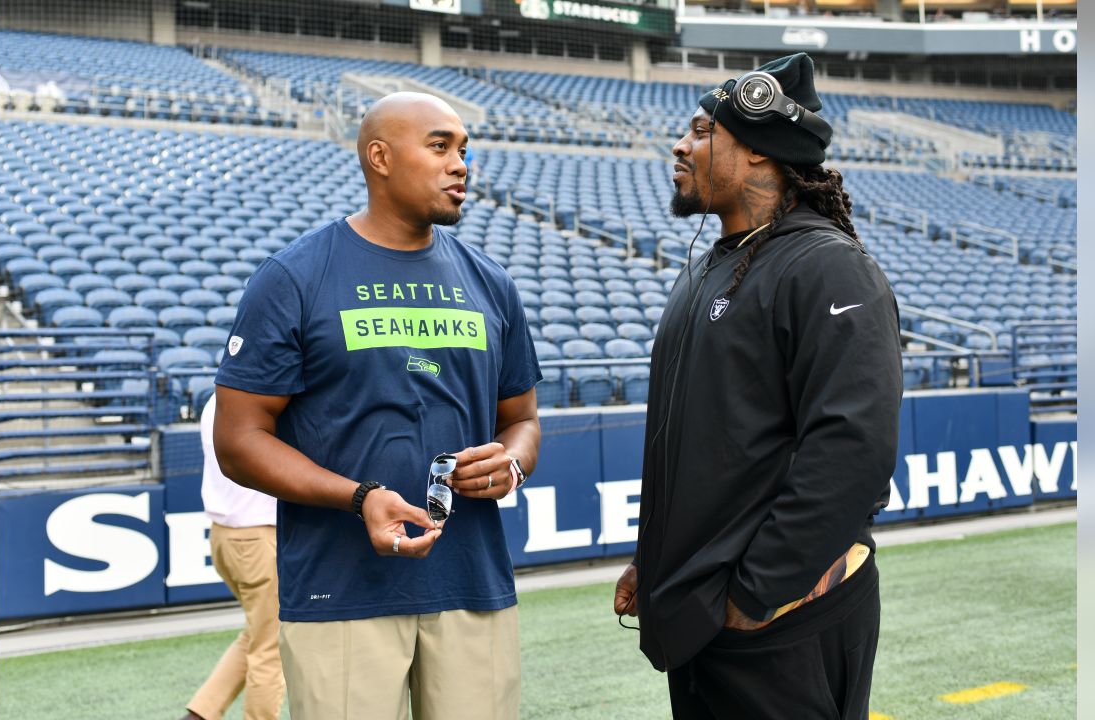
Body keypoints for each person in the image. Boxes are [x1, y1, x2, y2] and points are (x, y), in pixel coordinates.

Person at [212, 91, 542, 720]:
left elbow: (521, 420)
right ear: (380, 157)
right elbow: (239, 440)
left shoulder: (490, 281)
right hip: (342, 589)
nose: (461, 165)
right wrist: (359, 497)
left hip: (472, 581)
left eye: (465, 150)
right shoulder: (294, 277)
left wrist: (512, 464)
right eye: (440, 146)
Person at [613, 53, 902, 720]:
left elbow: (852, 451)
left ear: (759, 154)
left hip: (776, 623)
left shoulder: (828, 267)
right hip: (701, 615)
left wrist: (755, 595)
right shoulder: (709, 268)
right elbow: (703, 450)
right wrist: (658, 563)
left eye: (700, 131)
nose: (680, 146)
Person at [182, 393, 284, 720]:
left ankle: (200, 714)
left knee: (257, 635)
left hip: (226, 536)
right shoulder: (264, 399)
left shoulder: (217, 397)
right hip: (258, 536)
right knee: (271, 650)